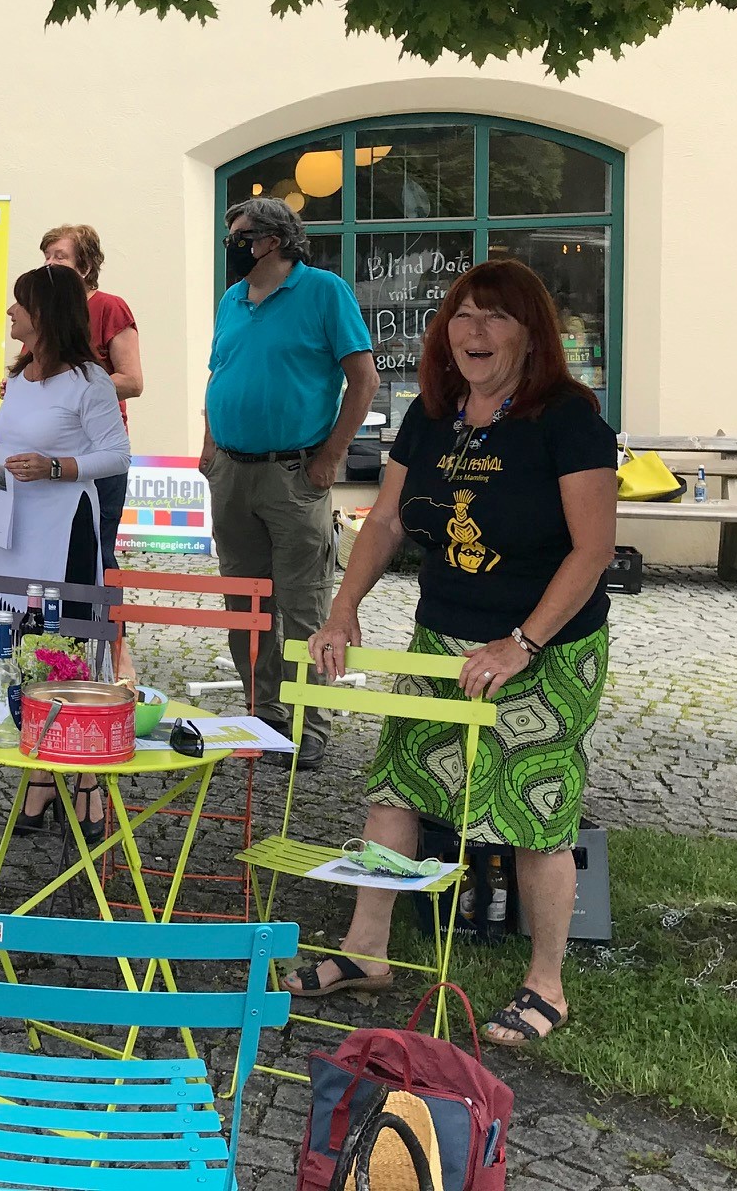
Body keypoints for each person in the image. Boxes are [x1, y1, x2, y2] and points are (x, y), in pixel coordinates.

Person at [299, 260, 616, 1048]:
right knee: (396, 785)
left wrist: (522, 642)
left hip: (547, 643)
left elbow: (594, 548)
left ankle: (546, 983)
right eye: (463, 316)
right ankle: (365, 951)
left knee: (536, 808)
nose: (474, 333)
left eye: (496, 318)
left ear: (531, 332)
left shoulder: (569, 419)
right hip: (442, 634)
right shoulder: (434, 415)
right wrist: (342, 613)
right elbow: (385, 522)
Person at [202, 197, 378, 768]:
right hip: (233, 469)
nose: (231, 244)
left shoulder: (324, 291)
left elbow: (364, 381)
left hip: (294, 470)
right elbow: (220, 376)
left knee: (302, 604)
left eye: (240, 235)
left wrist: (332, 455)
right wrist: (209, 451)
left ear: (273, 240)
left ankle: (310, 724)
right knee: (244, 604)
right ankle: (263, 711)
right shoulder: (231, 299)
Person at [0, 264, 131, 839]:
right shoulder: (20, 377)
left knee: (65, 644)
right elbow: (11, 444)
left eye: (20, 304)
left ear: (44, 315)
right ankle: (43, 774)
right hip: (12, 525)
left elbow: (116, 455)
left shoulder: (88, 382)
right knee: (21, 639)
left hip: (64, 526)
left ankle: (87, 779)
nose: (10, 312)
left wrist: (57, 467)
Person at [40, 225, 143, 677]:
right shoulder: (45, 314)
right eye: (45, 255)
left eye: (59, 256)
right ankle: (65, 650)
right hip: (50, 456)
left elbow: (132, 380)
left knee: (98, 553)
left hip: (97, 454)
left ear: (85, 265)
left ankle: (117, 652)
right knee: (58, 555)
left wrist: (69, 387)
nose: (49, 263)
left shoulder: (108, 308)